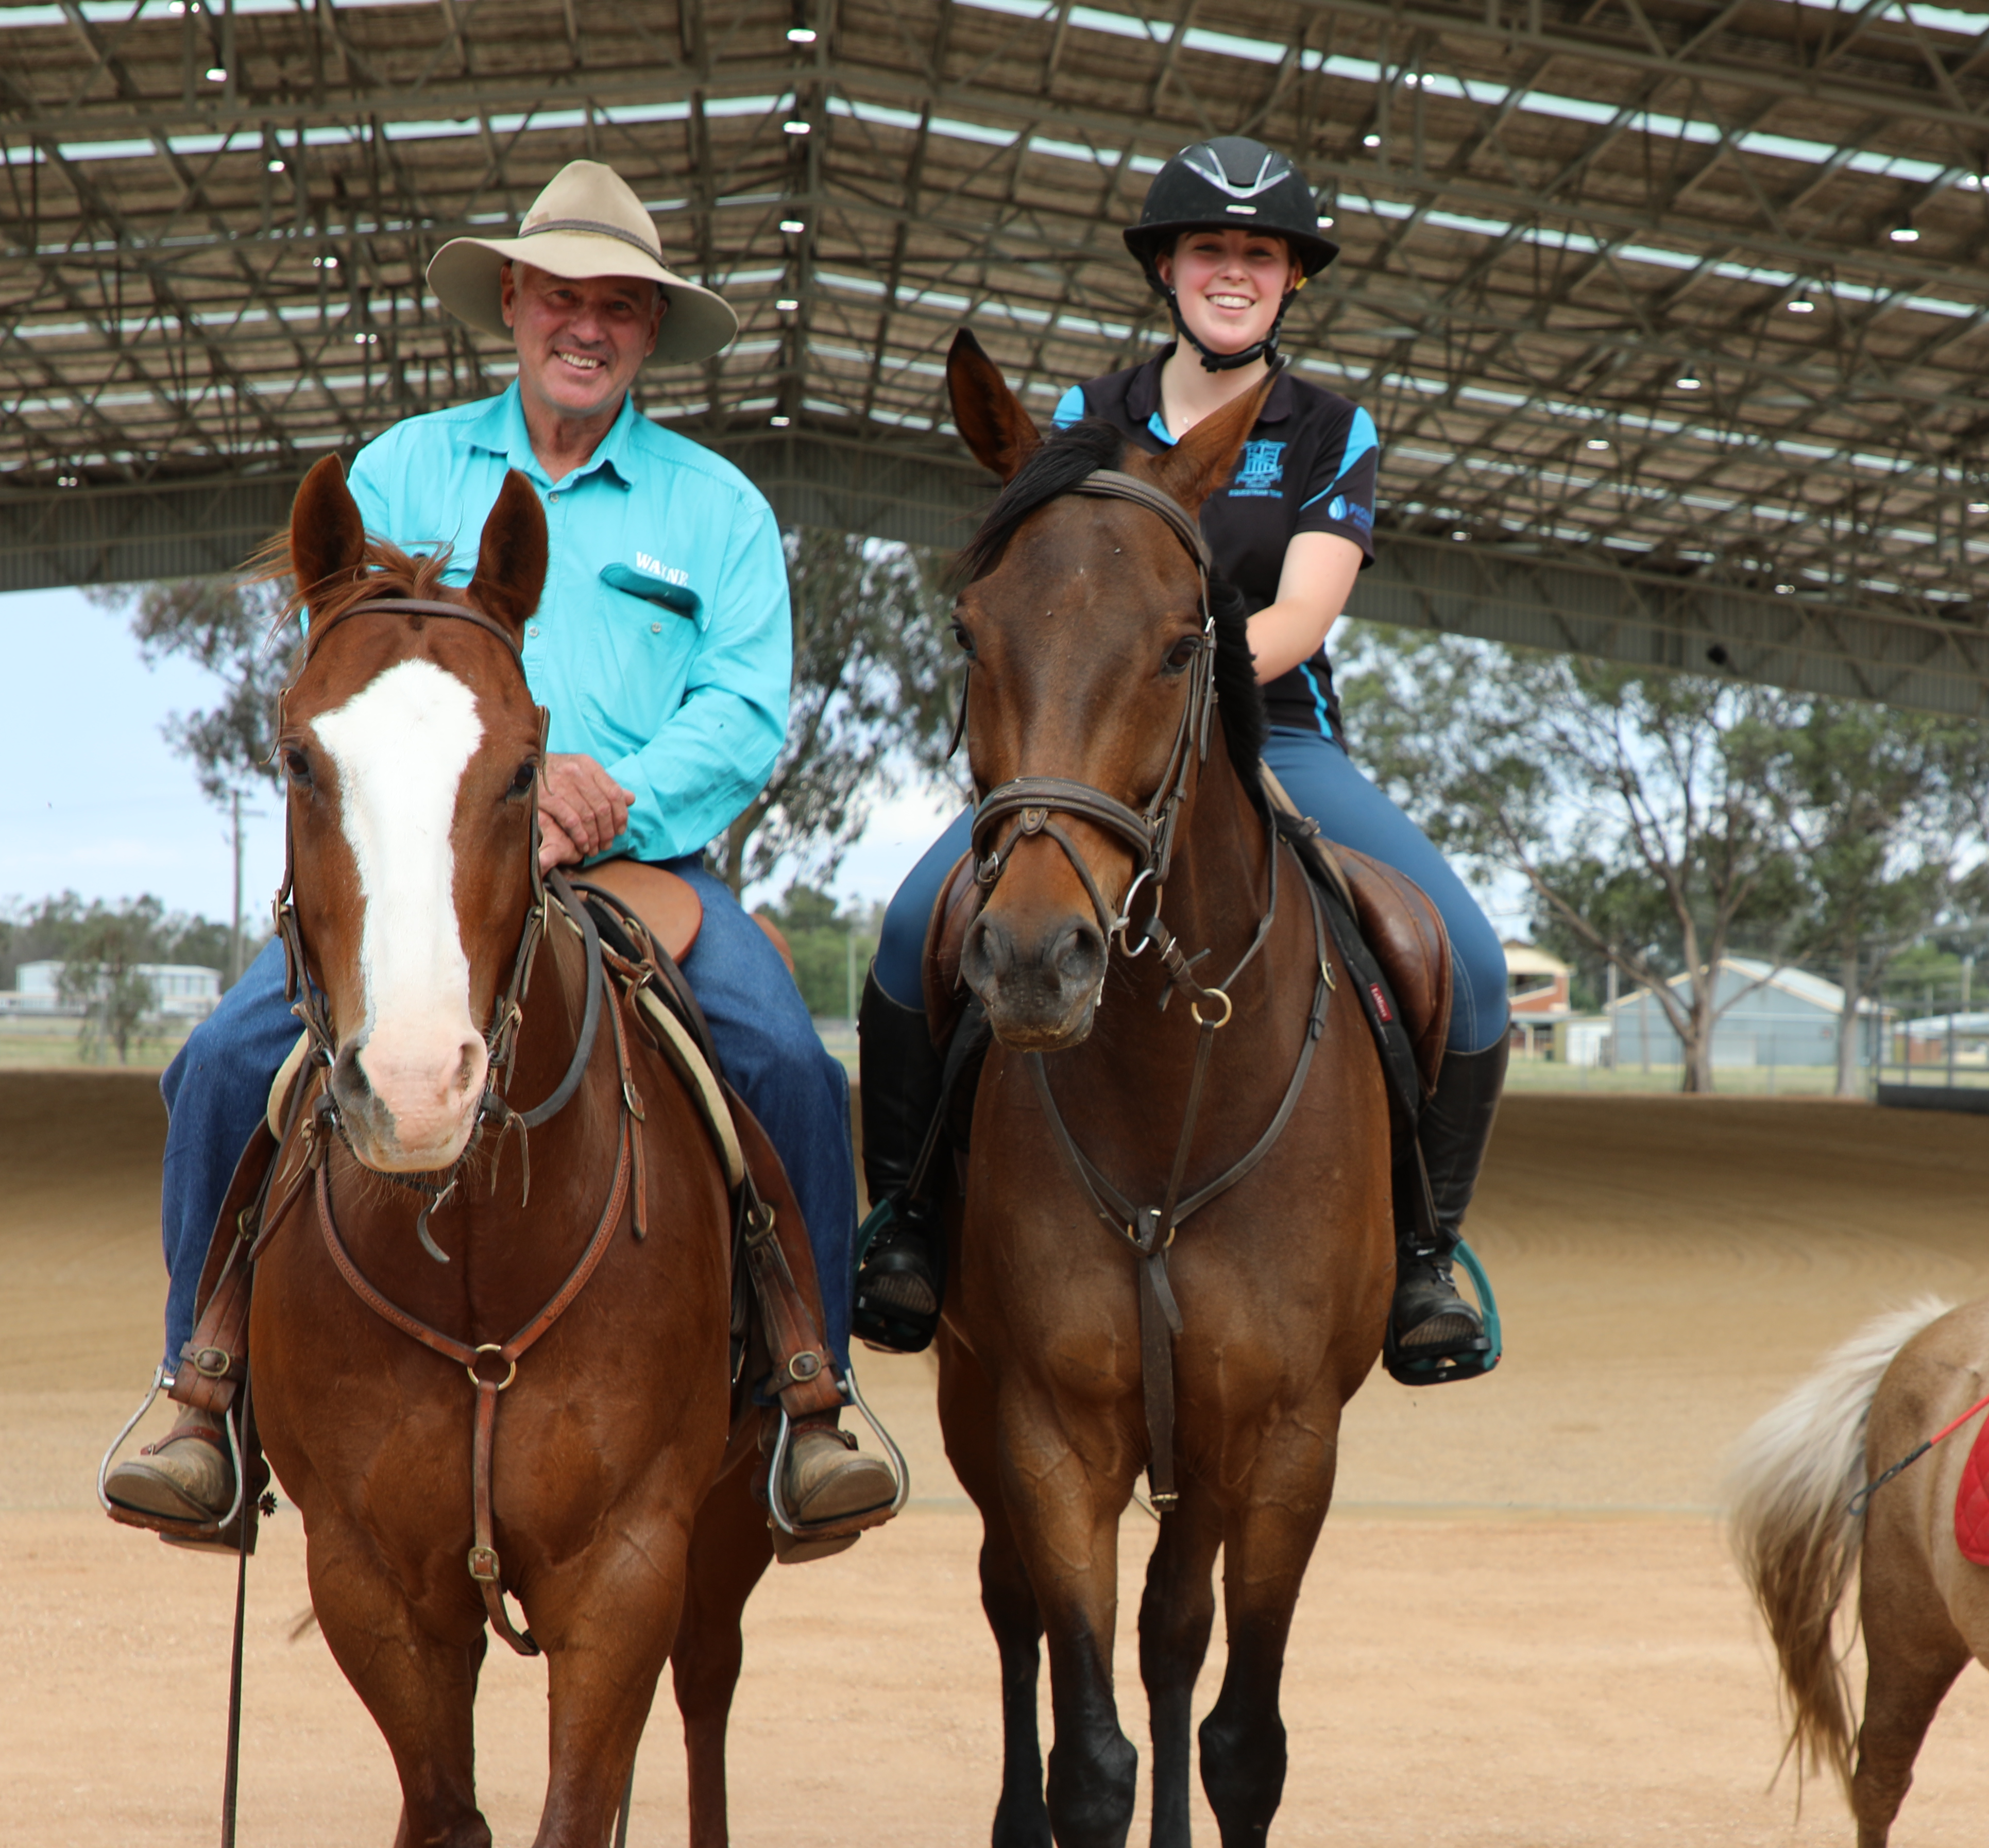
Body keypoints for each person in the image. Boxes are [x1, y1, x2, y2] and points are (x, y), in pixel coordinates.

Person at [102, 159, 897, 1548]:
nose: (584, 326)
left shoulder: (715, 507)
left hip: (636, 868)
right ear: (514, 306)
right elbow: (345, 678)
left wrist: (617, 794)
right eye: (558, 297)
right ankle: (204, 1385)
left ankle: (807, 1396)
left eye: (616, 307)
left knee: (785, 1064)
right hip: (423, 866)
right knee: (227, 1061)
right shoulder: (404, 469)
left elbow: (746, 709)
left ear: (649, 332)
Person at [852, 134, 1512, 1384]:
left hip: (1278, 730)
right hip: (1092, 741)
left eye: (1260, 254)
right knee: (906, 936)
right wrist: (1109, 695)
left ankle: (1427, 1251)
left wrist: (1186, 678)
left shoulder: (1328, 428)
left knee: (1469, 965)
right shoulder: (1089, 415)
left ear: (1291, 280)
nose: (1233, 271)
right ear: (1167, 264)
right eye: (1210, 247)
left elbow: (1305, 617)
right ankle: (909, 1223)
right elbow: (1056, 593)